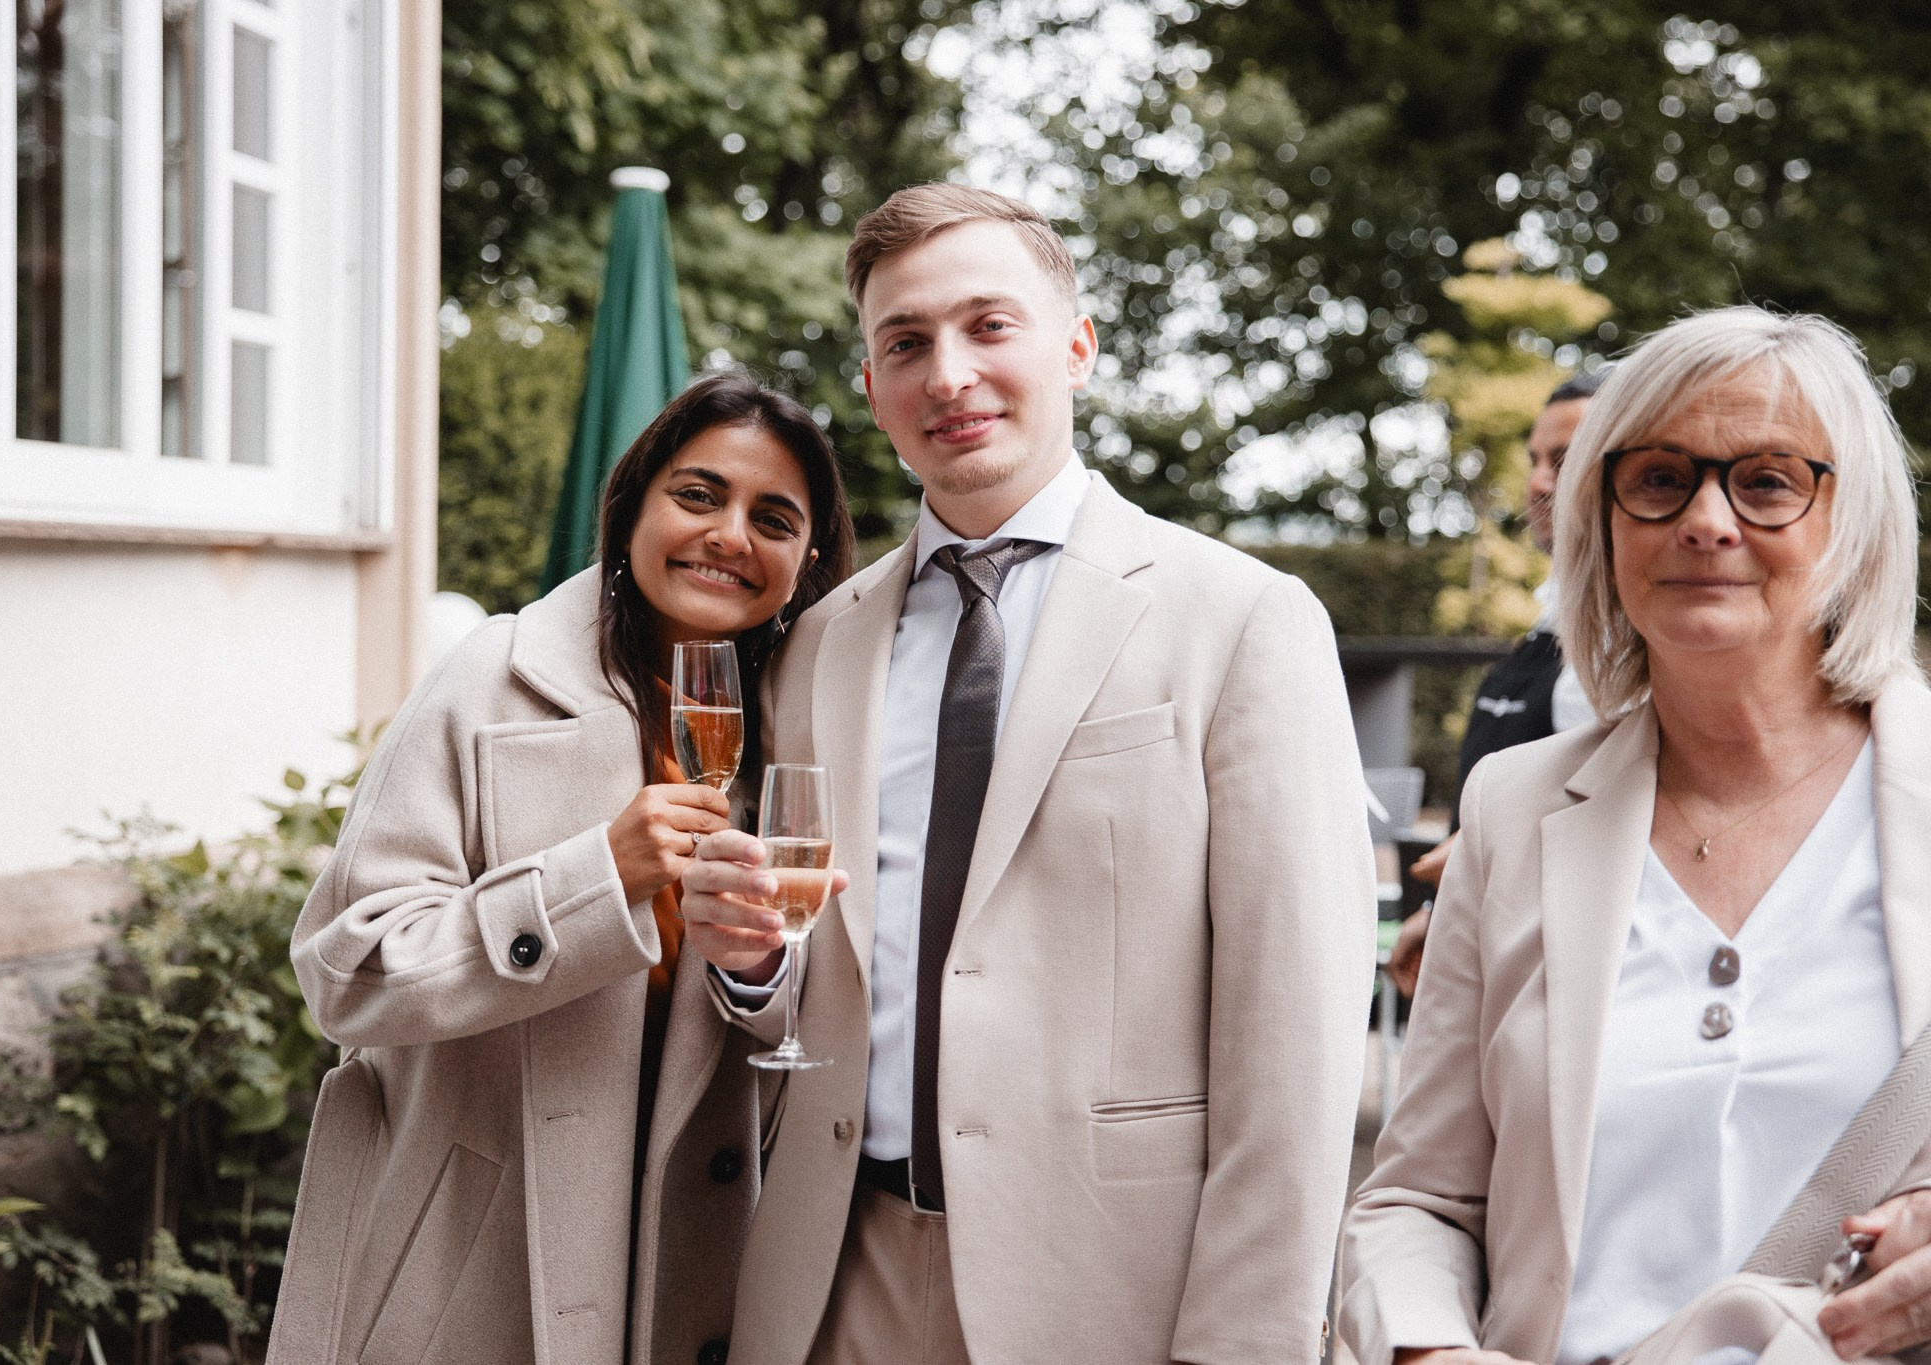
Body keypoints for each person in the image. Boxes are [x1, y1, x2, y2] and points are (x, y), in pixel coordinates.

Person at [680, 184, 1378, 1364]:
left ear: (1075, 346)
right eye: (904, 343)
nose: (947, 373)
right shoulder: (814, 642)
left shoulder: (1243, 620)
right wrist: (750, 971)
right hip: (828, 1278)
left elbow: (1294, 1032)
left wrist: (1247, 1339)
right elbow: (815, 970)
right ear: (870, 388)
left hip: (1116, 1294)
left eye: (987, 326)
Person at [1340, 307, 1931, 1365]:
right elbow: (1416, 1202)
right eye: (1658, 479)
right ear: (1601, 522)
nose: (1704, 519)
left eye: (1765, 480)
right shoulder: (1511, 811)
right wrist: (1425, 1350)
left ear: (1854, 524)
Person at [268, 372, 854, 1365]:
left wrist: (754, 968)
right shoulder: (490, 681)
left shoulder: (812, 731)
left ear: (803, 562)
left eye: (773, 517)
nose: (727, 534)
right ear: (631, 509)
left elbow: (822, 1017)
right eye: (698, 494)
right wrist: (596, 876)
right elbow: (347, 977)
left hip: (696, 1269)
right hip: (476, 1264)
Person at [1388, 370, 1606, 996]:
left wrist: (1479, 859)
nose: (1537, 482)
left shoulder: (1636, 647)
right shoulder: (1553, 620)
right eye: (1536, 460)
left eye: (1564, 461)